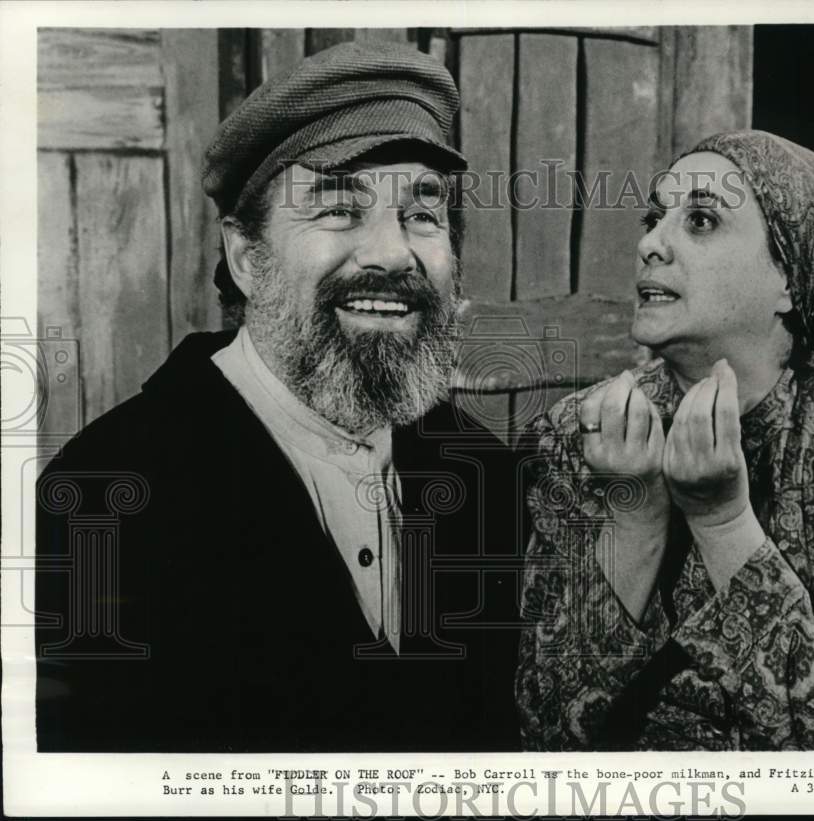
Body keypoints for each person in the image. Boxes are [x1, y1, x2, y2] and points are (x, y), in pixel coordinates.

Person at [35, 41, 521, 753]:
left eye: (422, 215)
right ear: (246, 258)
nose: (393, 254)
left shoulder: (483, 472)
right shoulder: (102, 496)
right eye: (338, 209)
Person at [516, 129, 814, 751]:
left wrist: (723, 523)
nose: (649, 244)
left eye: (700, 220)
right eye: (654, 218)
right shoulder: (579, 432)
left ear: (790, 278)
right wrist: (635, 515)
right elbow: (547, 733)